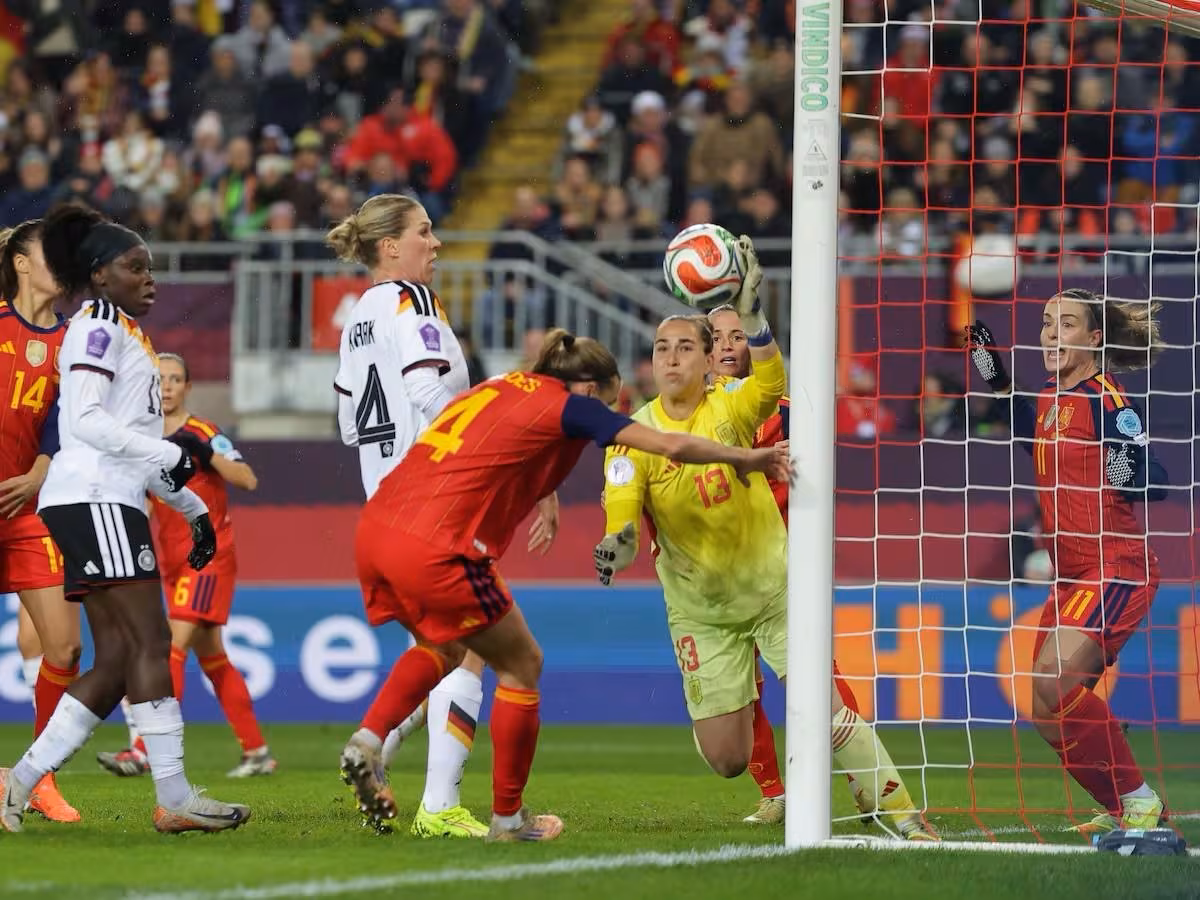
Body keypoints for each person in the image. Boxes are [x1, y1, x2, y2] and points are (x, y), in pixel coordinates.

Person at [343, 328, 791, 842]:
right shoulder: (573, 405)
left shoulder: (503, 386)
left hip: (378, 526)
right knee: (522, 664)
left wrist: (545, 492)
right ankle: (508, 819)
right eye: (612, 399)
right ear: (590, 388)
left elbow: (496, 445)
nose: (612, 410)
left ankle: (368, 739)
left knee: (443, 645)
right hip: (438, 544)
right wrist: (745, 458)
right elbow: (669, 443)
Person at [0, 203, 249, 834]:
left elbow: (129, 438)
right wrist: (169, 452)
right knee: (151, 641)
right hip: (97, 499)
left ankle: (20, 783)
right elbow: (84, 421)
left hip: (99, 498)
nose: (150, 278)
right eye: (134, 267)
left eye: (151, 266)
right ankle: (173, 797)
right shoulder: (101, 326)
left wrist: (190, 508)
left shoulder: (120, 330)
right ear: (100, 274)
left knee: (113, 660)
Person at [327, 193, 551, 839]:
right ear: (389, 247)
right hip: (435, 503)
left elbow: (348, 424)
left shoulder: (358, 317)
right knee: (480, 649)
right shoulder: (412, 302)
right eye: (424, 232)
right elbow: (429, 392)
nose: (437, 243)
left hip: (381, 504)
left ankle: (374, 752)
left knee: (440, 649)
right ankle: (441, 804)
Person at [705, 303, 936, 840]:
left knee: (817, 682)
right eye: (716, 337)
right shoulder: (690, 413)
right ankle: (775, 794)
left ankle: (871, 787)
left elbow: (809, 480)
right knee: (742, 692)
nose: (726, 346)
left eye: (738, 336)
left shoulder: (787, 409)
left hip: (784, 567)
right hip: (718, 573)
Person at [967, 288, 1169, 834]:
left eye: (1067, 325)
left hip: (1117, 565)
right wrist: (997, 379)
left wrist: (1130, 470)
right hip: (1070, 575)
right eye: (1047, 323)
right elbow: (1029, 434)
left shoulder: (1107, 398)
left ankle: (1142, 801)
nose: (1052, 334)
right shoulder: (1054, 400)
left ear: (1095, 338)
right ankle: (1121, 806)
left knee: (1055, 682)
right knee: (1043, 706)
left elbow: (1156, 480)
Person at [95, 352, 274, 779]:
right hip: (171, 560)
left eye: (176, 378)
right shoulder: (143, 438)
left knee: (168, 648)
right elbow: (149, 505)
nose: (169, 386)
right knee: (213, 658)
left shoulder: (202, 432)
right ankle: (257, 751)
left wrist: (205, 454)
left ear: (188, 387)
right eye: (161, 379)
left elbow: (247, 479)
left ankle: (143, 748)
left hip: (207, 558)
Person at [0, 220, 82, 823]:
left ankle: (37, 775)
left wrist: (41, 470)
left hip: (30, 505)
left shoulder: (74, 339)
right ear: (21, 264)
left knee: (65, 645)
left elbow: (61, 419)